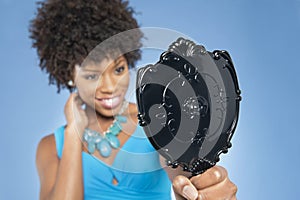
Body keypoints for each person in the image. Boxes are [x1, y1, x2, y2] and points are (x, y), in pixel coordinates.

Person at [29, 0, 237, 199]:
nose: (110, 87)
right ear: (68, 76)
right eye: (92, 76)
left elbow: (190, 181)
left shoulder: (157, 119)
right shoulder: (50, 147)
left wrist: (207, 189)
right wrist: (73, 134)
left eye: (118, 69)